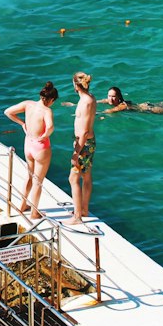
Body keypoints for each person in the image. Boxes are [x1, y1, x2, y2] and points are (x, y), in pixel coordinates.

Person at [4, 84, 57, 220]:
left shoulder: (28, 104)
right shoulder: (47, 111)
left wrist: (22, 123)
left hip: (28, 144)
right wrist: (45, 135)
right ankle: (34, 212)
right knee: (38, 181)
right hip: (40, 147)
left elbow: (8, 112)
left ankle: (22, 205)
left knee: (29, 176)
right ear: (51, 99)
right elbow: (50, 126)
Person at [68, 71, 97, 226]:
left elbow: (84, 130)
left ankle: (77, 216)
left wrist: (75, 152)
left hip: (83, 144)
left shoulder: (85, 102)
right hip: (88, 143)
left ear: (75, 85)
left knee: (73, 178)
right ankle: (84, 209)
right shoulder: (90, 98)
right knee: (86, 175)